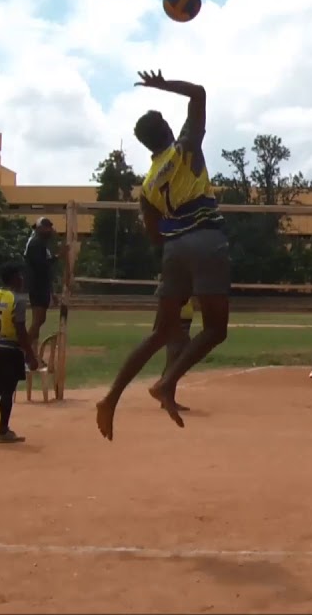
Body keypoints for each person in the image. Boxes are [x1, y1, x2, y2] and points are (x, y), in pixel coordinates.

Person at [96, 69, 230, 440]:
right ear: (170, 129)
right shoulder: (185, 148)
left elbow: (154, 237)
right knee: (216, 329)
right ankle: (167, 383)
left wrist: (177, 254)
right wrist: (162, 84)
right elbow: (199, 93)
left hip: (173, 251)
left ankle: (111, 398)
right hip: (206, 240)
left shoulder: (147, 185)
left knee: (161, 332)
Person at [0, 263, 38, 444]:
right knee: (8, 389)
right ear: (13, 278)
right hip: (11, 348)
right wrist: (30, 354)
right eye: (19, 276)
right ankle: (3, 431)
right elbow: (20, 329)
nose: (22, 279)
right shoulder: (17, 300)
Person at [23, 216, 64, 363]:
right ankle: (24, 351)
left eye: (50, 227)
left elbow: (46, 270)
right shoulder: (35, 243)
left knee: (38, 320)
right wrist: (58, 256)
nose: (49, 230)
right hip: (37, 286)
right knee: (39, 320)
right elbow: (41, 266)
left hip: (41, 286)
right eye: (46, 227)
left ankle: (33, 356)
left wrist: (52, 292)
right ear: (39, 228)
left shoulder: (41, 244)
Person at [160, 297, 199, 413]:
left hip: (185, 316)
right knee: (174, 357)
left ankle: (166, 398)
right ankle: (166, 398)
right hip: (178, 316)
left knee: (175, 359)